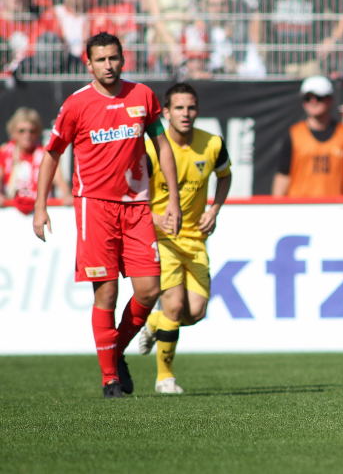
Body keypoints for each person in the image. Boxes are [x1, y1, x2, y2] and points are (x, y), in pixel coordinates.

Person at [32, 32, 182, 399]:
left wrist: (173, 200)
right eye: (100, 60)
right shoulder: (76, 104)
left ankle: (113, 351)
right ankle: (110, 379)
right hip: (95, 207)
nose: (108, 65)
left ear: (123, 59)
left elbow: (162, 145)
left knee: (149, 289)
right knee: (107, 293)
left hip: (137, 207)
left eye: (113, 58)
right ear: (89, 64)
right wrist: (40, 205)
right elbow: (52, 153)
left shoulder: (142, 96)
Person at [137, 82, 232, 394]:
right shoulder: (150, 149)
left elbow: (225, 176)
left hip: (196, 240)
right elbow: (131, 192)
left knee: (195, 313)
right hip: (162, 238)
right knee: (175, 306)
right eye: (178, 108)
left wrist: (214, 209)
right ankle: (165, 378)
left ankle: (154, 323)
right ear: (166, 112)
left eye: (191, 107)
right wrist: (154, 218)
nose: (185, 113)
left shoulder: (212, 144)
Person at [272, 75, 343, 197]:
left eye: (319, 97)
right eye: (307, 98)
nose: (313, 102)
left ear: (330, 99)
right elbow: (283, 175)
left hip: (336, 206)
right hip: (300, 206)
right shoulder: (294, 134)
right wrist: (277, 204)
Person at [0, 106, 71, 213]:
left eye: (32, 131)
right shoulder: (4, 152)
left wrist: (67, 196)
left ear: (37, 133)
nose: (27, 135)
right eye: (22, 131)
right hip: (11, 212)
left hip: (40, 210)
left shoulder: (46, 155)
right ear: (13, 132)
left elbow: (61, 183)